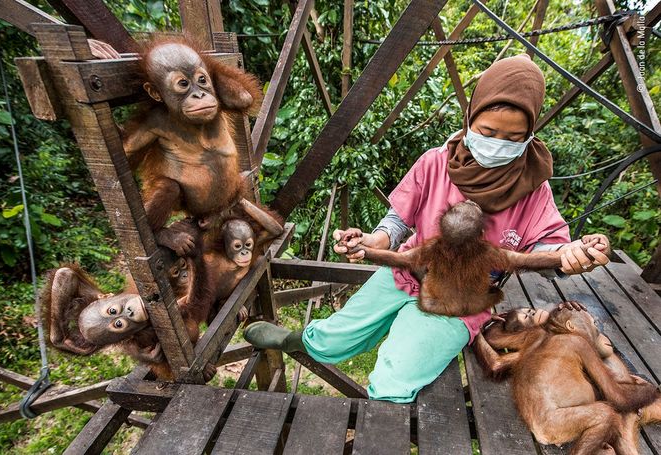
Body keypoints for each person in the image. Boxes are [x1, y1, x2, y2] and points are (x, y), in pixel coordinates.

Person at [244, 54, 611, 403]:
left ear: (531, 133)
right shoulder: (436, 162)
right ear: (470, 121)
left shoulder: (534, 187)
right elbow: (399, 221)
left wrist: (569, 256)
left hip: (460, 301)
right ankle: (297, 340)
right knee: (340, 332)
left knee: (396, 375)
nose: (498, 145)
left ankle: (382, 418)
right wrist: (372, 240)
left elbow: (545, 249)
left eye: (513, 139)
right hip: (407, 270)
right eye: (487, 131)